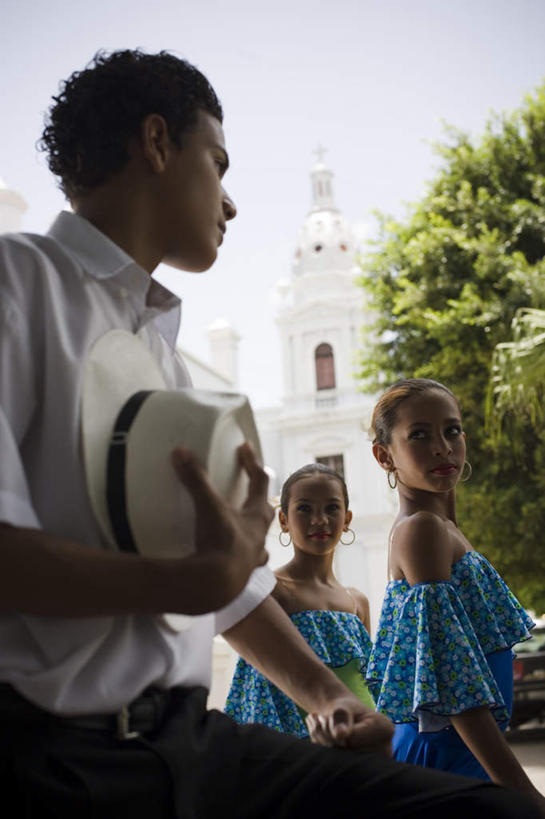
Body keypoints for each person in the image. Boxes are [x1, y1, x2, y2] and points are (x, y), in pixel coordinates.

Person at [0, 49, 541, 819]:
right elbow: (203, 578)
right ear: (156, 144)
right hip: (54, 753)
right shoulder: (17, 283)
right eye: (217, 165)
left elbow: (231, 584)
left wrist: (326, 694)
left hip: (187, 739)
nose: (229, 204)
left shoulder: (158, 351)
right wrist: (190, 581)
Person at [368, 377, 544, 806]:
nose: (443, 446)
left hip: (464, 758)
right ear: (383, 455)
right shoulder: (421, 530)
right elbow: (454, 686)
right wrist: (523, 793)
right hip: (446, 761)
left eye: (452, 430)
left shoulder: (442, 528)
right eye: (420, 435)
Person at [226, 463, 374, 735]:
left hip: (362, 736)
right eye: (305, 509)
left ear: (348, 519)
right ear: (283, 520)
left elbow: (368, 681)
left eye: (332, 508)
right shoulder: (269, 591)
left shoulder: (357, 602)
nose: (320, 520)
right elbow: (258, 692)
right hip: (299, 746)